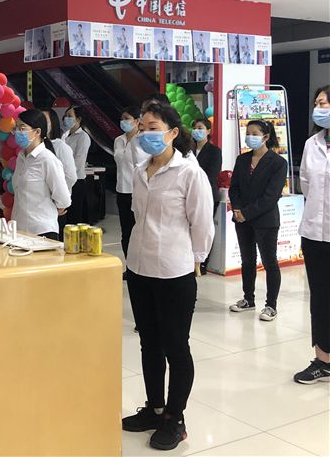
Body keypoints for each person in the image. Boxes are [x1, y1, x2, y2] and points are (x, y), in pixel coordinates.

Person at [122, 103, 214, 451]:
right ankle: (155, 408)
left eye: (154, 127)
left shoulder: (189, 172)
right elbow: (137, 216)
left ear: (173, 133)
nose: (146, 133)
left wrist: (197, 259)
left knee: (175, 346)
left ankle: (175, 418)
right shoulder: (139, 170)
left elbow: (202, 222)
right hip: (139, 267)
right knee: (149, 343)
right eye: (142, 127)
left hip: (174, 270)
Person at [228, 119, 287, 321]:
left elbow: (271, 196)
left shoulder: (278, 163)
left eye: (254, 134)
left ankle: (271, 305)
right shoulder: (242, 159)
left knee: (269, 262)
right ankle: (248, 299)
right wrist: (237, 209)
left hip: (265, 220)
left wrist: (246, 212)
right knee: (247, 260)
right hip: (241, 219)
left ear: (266, 137)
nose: (249, 137)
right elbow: (234, 187)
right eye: (248, 133)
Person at [294, 85, 330, 383]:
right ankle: (323, 360)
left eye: (324, 103)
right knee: (320, 298)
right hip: (314, 234)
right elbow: (306, 183)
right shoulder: (311, 144)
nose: (319, 108)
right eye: (317, 103)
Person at [11, 109, 71, 239]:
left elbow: (64, 198)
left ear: (37, 132)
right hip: (20, 229)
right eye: (16, 128)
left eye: (22, 128)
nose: (17, 132)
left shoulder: (47, 159)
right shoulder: (21, 157)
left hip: (42, 230)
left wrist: (55, 209)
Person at [193, 117, 222, 273]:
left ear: (208, 131)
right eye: (195, 128)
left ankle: (203, 262)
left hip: (207, 194)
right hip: (190, 194)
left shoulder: (214, 151)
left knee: (204, 227)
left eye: (200, 128)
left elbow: (212, 175)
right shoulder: (188, 150)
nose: (196, 131)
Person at [114, 106, 142, 265]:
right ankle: (129, 265)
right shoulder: (119, 140)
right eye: (122, 119)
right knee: (126, 231)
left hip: (137, 191)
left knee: (138, 231)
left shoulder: (142, 140)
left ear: (137, 121)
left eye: (127, 119)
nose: (123, 122)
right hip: (121, 190)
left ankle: (140, 265)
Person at [63, 106, 91, 223]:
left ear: (78, 119)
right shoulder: (65, 135)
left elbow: (78, 162)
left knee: (74, 216)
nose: (66, 118)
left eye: (70, 116)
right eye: (66, 116)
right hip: (64, 180)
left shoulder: (83, 137)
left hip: (76, 180)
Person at [43, 109, 77, 191]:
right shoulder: (34, 147)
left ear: (53, 122)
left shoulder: (60, 147)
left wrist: (55, 192)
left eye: (45, 120)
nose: (40, 124)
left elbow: (70, 177)